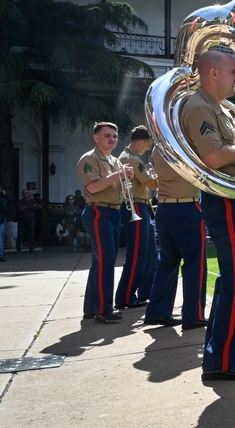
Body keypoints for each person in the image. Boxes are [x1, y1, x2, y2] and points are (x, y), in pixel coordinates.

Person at [181, 46, 235, 381]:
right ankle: (221, 359)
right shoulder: (199, 106)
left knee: (234, 277)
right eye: (233, 72)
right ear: (213, 73)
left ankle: (224, 346)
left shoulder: (218, 107)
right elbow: (214, 157)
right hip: (226, 200)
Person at [76, 122, 136, 323]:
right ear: (96, 138)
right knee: (106, 260)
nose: (112, 139)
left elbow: (120, 188)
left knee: (99, 261)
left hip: (113, 212)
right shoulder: (89, 159)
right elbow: (93, 187)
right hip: (98, 212)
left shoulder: (115, 161)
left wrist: (126, 178)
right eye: (107, 136)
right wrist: (119, 174)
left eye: (115, 136)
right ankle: (104, 309)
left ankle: (92, 308)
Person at [142, 151, 208, 329]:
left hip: (164, 207)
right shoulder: (184, 147)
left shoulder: (158, 149)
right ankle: (194, 314)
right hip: (186, 206)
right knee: (195, 262)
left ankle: (158, 311)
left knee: (168, 261)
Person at [114, 126, 159, 310]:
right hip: (136, 206)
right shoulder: (131, 159)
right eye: (147, 145)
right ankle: (125, 296)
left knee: (150, 255)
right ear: (140, 142)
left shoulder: (130, 158)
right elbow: (152, 183)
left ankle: (144, 293)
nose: (148, 148)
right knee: (138, 254)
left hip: (141, 206)